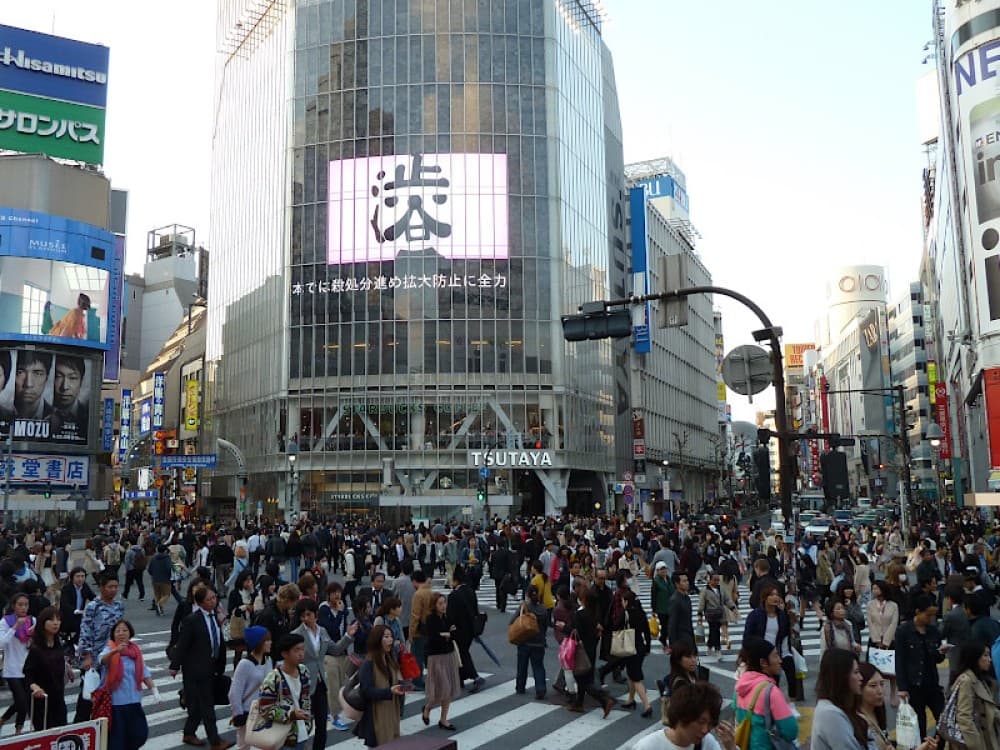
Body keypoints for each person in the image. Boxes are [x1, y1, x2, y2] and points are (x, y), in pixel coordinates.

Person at [168, 585, 233, 750]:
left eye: (214, 598)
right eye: (209, 599)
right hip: (196, 669)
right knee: (207, 706)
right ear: (200, 602)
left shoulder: (214, 617)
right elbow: (182, 645)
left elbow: (218, 640)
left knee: (197, 706)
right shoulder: (192, 620)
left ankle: (189, 733)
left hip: (212, 666)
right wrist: (174, 665)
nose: (213, 601)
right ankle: (215, 742)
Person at [292, 599, 351, 750]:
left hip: (321, 683)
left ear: (315, 615)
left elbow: (335, 649)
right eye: (303, 615)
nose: (305, 618)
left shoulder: (322, 631)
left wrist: (348, 636)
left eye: (308, 615)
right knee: (304, 726)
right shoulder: (297, 634)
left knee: (321, 725)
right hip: (304, 685)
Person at [732, 637, 799, 750]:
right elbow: (791, 731)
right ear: (763, 662)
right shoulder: (771, 692)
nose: (780, 660)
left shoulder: (739, 687)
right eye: (775, 656)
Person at [895, 593, 946, 739]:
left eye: (933, 615)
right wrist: (902, 687)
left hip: (932, 684)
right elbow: (900, 659)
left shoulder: (933, 631)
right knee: (919, 724)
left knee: (943, 720)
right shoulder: (904, 631)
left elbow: (937, 659)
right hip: (914, 685)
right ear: (918, 611)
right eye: (928, 615)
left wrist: (941, 653)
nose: (931, 619)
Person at [99, 620, 156, 750]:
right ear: (113, 634)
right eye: (118, 631)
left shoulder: (135, 650)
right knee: (118, 739)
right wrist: (115, 651)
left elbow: (144, 672)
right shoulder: (109, 649)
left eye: (124, 630)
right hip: (117, 703)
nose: (121, 633)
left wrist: (154, 690)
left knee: (139, 734)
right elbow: (101, 660)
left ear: (130, 633)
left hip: (134, 700)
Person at [632, 681, 738, 750]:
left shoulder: (707, 743)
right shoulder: (648, 746)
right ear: (683, 715)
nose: (705, 730)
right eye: (701, 722)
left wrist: (731, 747)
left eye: (710, 723)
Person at [76, 572, 124, 722]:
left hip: (112, 653)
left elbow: (121, 629)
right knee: (89, 691)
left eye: (116, 587)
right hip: (95, 655)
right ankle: (81, 723)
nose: (113, 590)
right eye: (110, 587)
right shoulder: (93, 606)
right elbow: (85, 630)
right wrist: (88, 655)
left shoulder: (119, 606)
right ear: (102, 588)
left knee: (108, 691)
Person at [856, 662, 938, 750]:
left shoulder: (877, 712)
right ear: (858, 688)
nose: (880, 691)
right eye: (873, 686)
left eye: (882, 684)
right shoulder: (857, 722)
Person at [256, 634, 313, 750]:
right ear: (285, 654)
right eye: (297, 650)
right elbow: (265, 709)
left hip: (303, 731)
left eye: (302, 649)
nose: (301, 653)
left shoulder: (304, 671)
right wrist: (291, 715)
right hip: (284, 737)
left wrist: (307, 717)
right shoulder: (273, 679)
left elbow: (306, 697)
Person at [354, 624, 405, 746]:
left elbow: (395, 681)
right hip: (376, 715)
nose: (390, 640)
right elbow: (366, 691)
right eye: (386, 637)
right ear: (377, 640)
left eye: (391, 636)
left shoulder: (389, 659)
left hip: (391, 712)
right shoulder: (369, 663)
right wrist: (389, 691)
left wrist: (403, 686)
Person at [569, 586, 615, 717]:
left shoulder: (580, 614)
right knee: (586, 675)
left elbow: (576, 631)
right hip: (592, 647)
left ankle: (604, 699)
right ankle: (579, 703)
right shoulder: (594, 612)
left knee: (581, 678)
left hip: (581, 649)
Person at [810, 648, 869, 750]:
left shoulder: (844, 706)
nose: (861, 677)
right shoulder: (830, 714)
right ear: (842, 677)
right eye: (856, 672)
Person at [318, 581, 358, 731]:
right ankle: (335, 717)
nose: (337, 595)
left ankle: (333, 711)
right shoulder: (324, 609)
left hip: (342, 651)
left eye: (339, 592)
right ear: (328, 594)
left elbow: (344, 630)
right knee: (333, 686)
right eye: (334, 592)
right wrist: (340, 613)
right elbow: (332, 629)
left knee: (342, 684)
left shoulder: (342, 607)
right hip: (328, 653)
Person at [947, 639, 1000, 750]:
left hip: (984, 736)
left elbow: (989, 709)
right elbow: (964, 717)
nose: (989, 660)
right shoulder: (966, 680)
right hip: (975, 741)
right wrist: (975, 745)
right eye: (985, 655)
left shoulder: (979, 678)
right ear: (974, 658)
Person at [24, 606, 70, 731]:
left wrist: (66, 667)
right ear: (43, 622)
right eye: (51, 619)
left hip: (58, 698)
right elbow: (28, 674)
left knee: (61, 733)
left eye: (58, 619)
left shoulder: (58, 645)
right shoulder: (36, 649)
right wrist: (34, 687)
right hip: (42, 701)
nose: (56, 623)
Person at [742, 583, 795, 690]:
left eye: (777, 595)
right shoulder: (755, 615)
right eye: (771, 595)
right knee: (760, 685)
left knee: (776, 683)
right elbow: (747, 637)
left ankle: (791, 702)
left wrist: (786, 654)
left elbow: (785, 636)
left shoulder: (782, 616)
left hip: (776, 653)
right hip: (759, 655)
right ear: (765, 598)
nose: (775, 597)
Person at [422, 592, 462, 729]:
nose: (443, 606)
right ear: (434, 605)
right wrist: (447, 634)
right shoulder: (430, 619)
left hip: (449, 654)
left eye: (444, 602)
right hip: (436, 656)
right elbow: (433, 637)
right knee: (440, 689)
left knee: (448, 689)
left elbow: (456, 634)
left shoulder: (447, 617)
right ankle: (428, 707)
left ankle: (443, 719)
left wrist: (446, 635)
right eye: (440, 603)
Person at [228, 626, 272, 750]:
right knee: (244, 746)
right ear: (258, 643)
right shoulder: (245, 665)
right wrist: (238, 714)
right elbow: (234, 692)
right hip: (248, 714)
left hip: (264, 712)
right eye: (266, 640)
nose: (270, 643)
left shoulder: (268, 660)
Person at [0, 593, 36, 734]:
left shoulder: (32, 620)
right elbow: (2, 643)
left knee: (26, 701)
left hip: (27, 668)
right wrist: (15, 627)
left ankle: (18, 729)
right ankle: (5, 720)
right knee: (21, 701)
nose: (23, 608)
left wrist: (33, 638)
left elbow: (37, 641)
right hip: (12, 669)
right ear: (14, 606)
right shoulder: (5, 622)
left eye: (26, 605)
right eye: (20, 604)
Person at [617, 586, 654, 717]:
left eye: (623, 600)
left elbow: (617, 627)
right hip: (641, 646)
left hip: (629, 646)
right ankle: (630, 699)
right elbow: (647, 632)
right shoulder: (641, 613)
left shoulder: (625, 613)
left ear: (626, 601)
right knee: (632, 673)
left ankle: (646, 705)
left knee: (636, 677)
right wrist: (648, 647)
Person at [447, 566, 484, 692]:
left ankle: (475, 677)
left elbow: (450, 616)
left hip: (458, 629)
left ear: (455, 580)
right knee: (462, 653)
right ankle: (460, 678)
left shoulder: (453, 595)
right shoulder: (470, 591)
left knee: (461, 654)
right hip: (470, 628)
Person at [513, 583, 550, 699]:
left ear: (527, 595)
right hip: (539, 642)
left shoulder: (524, 607)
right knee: (538, 666)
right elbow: (545, 626)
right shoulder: (543, 610)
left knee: (522, 666)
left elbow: (512, 621)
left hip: (524, 641)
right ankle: (541, 689)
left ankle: (520, 687)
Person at [255, 583, 300, 664]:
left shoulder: (284, 611)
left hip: (281, 655)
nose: (294, 606)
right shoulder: (268, 614)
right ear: (287, 600)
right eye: (294, 602)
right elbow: (263, 640)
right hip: (270, 658)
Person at [50, 355, 88, 438]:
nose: (64, 386)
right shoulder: (42, 414)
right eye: (58, 377)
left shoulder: (87, 416)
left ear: (81, 381)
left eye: (73, 378)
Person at [698, 572, 732, 659]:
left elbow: (726, 599)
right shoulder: (705, 590)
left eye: (718, 580)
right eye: (715, 580)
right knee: (715, 630)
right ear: (710, 580)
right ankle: (718, 650)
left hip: (720, 613)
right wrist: (699, 614)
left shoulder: (721, 589)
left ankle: (709, 647)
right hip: (710, 613)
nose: (717, 582)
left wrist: (732, 607)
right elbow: (701, 602)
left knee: (713, 631)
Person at [59, 566, 94, 647]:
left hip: (80, 615)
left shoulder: (85, 586)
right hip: (68, 616)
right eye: (78, 576)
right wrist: (75, 611)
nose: (80, 579)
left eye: (82, 576)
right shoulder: (67, 588)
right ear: (72, 577)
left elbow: (92, 597)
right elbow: (65, 604)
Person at [13, 349, 52, 419]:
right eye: (20, 372)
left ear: (47, 378)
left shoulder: (54, 416)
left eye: (38, 373)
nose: (28, 384)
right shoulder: (4, 412)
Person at [667, 572, 695, 650]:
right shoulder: (675, 600)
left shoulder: (687, 598)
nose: (687, 583)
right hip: (680, 639)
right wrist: (673, 645)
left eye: (687, 580)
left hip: (688, 637)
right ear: (677, 584)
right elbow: (672, 624)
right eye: (684, 581)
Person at [651, 561, 674, 652]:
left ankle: (666, 641)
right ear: (657, 570)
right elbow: (653, 596)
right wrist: (653, 609)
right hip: (661, 608)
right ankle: (664, 643)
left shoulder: (669, 579)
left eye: (664, 569)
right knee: (665, 627)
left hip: (671, 607)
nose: (664, 571)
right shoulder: (656, 581)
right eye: (661, 569)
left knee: (670, 626)